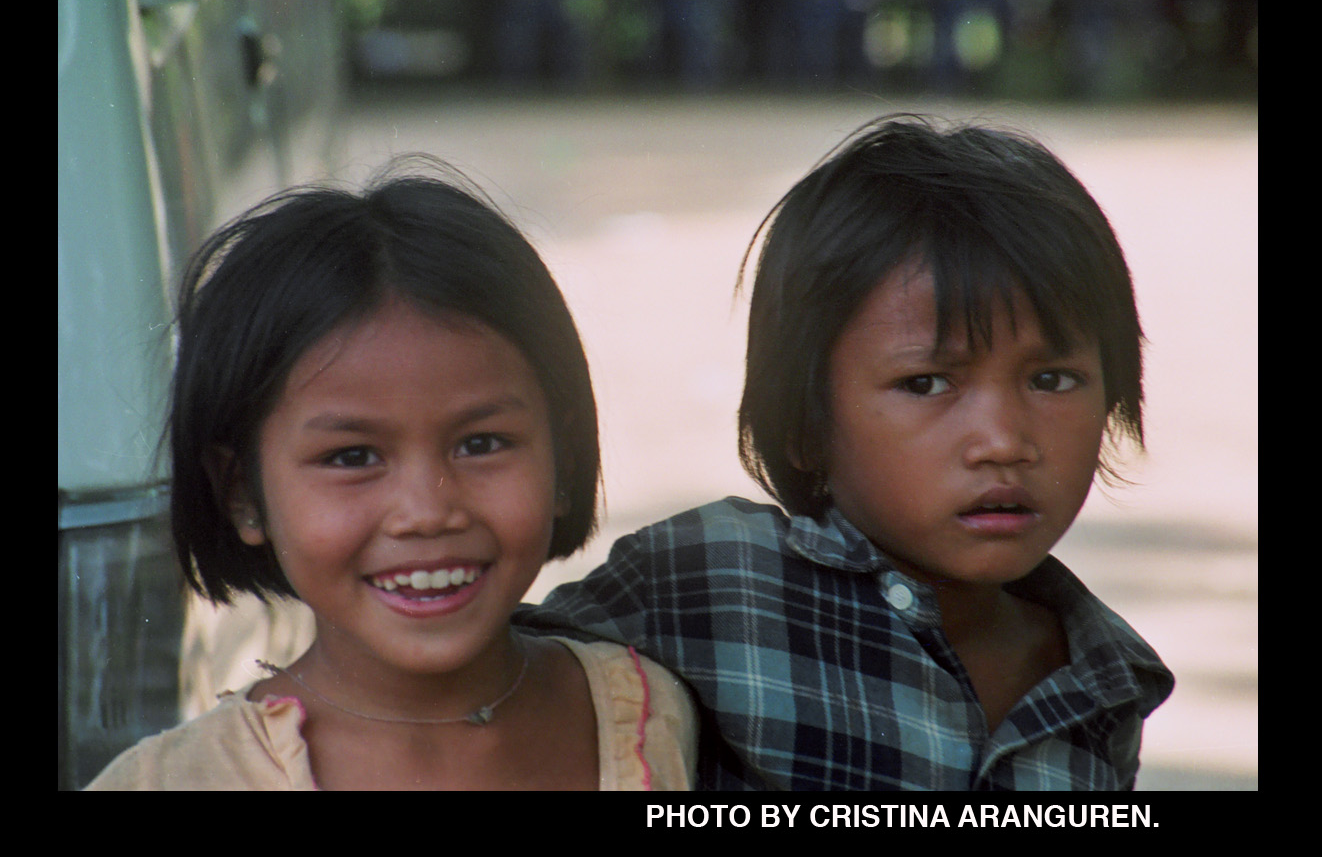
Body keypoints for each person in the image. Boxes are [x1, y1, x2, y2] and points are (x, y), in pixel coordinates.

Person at [515, 114, 1175, 791]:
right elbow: (484, 679)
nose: (1004, 441)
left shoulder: (1108, 677)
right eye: (926, 383)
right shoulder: (711, 582)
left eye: (1051, 380)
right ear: (805, 424)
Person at [87, 160, 696, 790]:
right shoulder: (173, 782)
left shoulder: (646, 712)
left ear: (564, 459)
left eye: (481, 444)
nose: (427, 511)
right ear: (243, 493)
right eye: (353, 458)